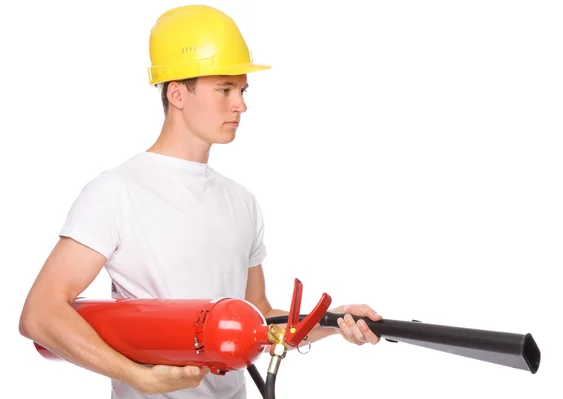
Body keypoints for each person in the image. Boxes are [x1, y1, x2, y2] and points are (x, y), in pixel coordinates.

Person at [18, 4, 382, 399]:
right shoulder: (117, 192)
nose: (240, 104)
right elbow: (41, 314)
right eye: (224, 89)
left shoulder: (242, 203)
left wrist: (332, 319)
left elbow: (259, 316)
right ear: (176, 92)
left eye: (242, 90)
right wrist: (136, 376)